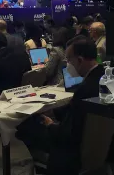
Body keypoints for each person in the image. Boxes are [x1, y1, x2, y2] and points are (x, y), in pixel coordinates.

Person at [16, 36, 104, 175]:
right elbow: (75, 114)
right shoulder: (103, 77)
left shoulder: (85, 89)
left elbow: (69, 133)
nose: (67, 64)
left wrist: (50, 125)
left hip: (69, 149)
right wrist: (54, 112)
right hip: (98, 146)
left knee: (24, 128)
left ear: (80, 60)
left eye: (69, 60)